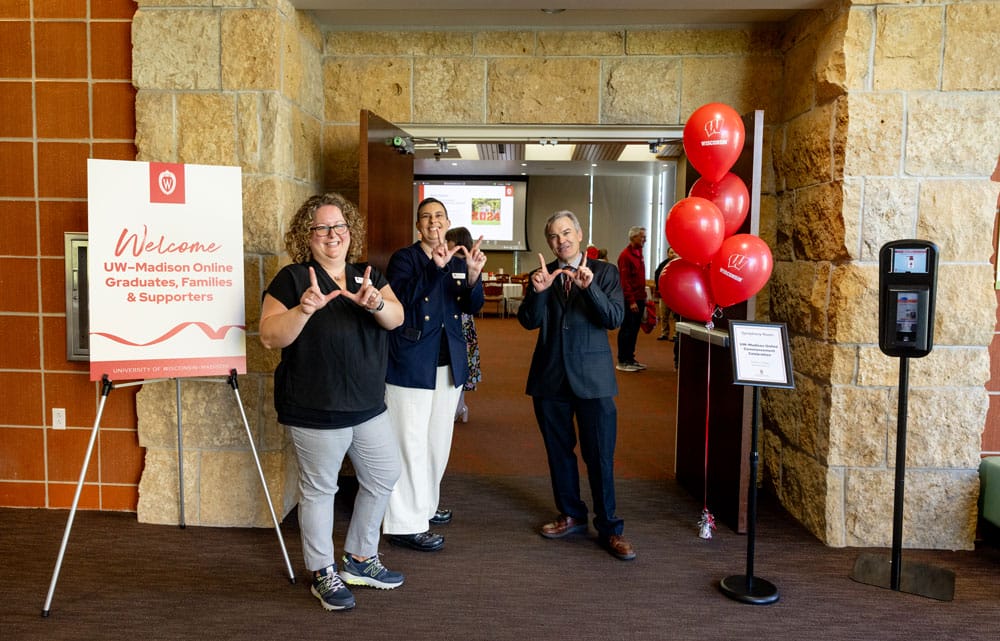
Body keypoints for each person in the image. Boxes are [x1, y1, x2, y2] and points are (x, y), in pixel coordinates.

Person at [259, 192, 406, 612]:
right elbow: (270, 336)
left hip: (367, 405)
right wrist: (303, 310)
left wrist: (377, 302)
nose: (332, 235)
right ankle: (322, 571)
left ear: (350, 232)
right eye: (322, 228)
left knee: (383, 475)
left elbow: (397, 318)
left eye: (338, 226)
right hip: (315, 407)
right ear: (308, 236)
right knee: (320, 489)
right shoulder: (292, 278)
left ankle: (360, 558)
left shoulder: (366, 275)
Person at [517, 210, 636, 561]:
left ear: (580, 235)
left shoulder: (605, 273)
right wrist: (538, 292)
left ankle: (611, 527)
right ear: (549, 242)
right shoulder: (540, 275)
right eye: (554, 236)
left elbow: (614, 319)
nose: (561, 240)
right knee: (559, 454)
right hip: (550, 378)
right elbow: (527, 321)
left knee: (600, 455)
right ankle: (571, 514)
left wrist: (591, 289)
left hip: (594, 380)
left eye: (567, 233)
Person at [383, 197, 487, 551]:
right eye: (425, 217)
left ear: (447, 221)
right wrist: (432, 268)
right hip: (411, 362)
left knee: (436, 442)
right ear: (418, 226)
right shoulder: (405, 258)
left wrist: (473, 277)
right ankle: (403, 523)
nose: (433, 222)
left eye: (439, 216)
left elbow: (470, 306)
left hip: (448, 363)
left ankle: (424, 504)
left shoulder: (459, 259)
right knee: (408, 442)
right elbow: (401, 299)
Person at [445, 226, 482, 423]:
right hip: (451, 320)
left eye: (449, 240)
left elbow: (474, 300)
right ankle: (459, 407)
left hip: (462, 322)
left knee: (460, 368)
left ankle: (460, 406)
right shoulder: (443, 261)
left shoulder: (469, 263)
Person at [616, 226, 647, 372]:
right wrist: (631, 300)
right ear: (633, 237)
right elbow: (625, 281)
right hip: (631, 300)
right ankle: (622, 360)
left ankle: (630, 358)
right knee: (627, 330)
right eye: (642, 236)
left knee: (634, 330)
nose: (645, 239)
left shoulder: (639, 253)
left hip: (640, 297)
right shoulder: (625, 256)